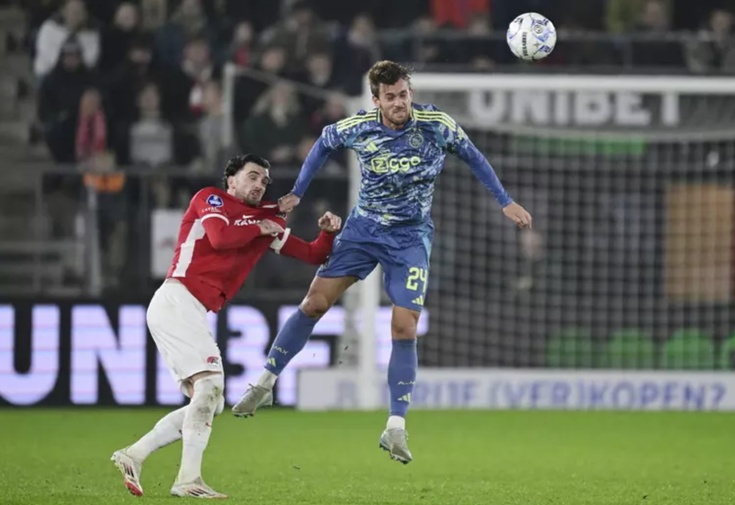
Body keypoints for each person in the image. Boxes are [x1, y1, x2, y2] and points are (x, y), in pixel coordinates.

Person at [231, 60, 532, 464]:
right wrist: (299, 191)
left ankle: (395, 427)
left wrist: (505, 201)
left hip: (410, 238)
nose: (399, 103)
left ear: (410, 93)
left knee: (404, 326)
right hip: (363, 231)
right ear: (376, 100)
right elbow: (323, 142)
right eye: (390, 97)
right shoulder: (359, 126)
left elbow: (474, 156)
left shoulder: (436, 125)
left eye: (403, 95)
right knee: (314, 303)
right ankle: (265, 383)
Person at [110, 154, 342, 498]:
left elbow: (312, 255)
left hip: (190, 309)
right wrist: (263, 222)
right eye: (252, 176)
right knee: (210, 387)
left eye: (264, 181)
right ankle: (187, 480)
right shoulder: (211, 199)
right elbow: (220, 237)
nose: (259, 184)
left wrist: (327, 234)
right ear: (231, 180)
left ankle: (134, 454)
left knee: (209, 401)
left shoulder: (260, 223)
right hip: (177, 298)